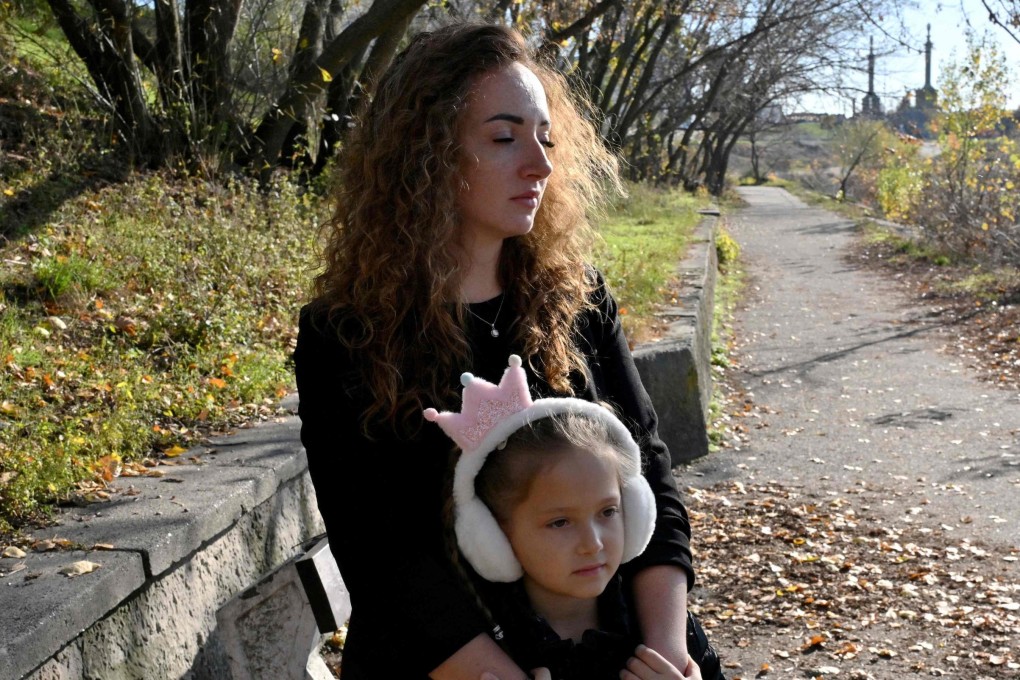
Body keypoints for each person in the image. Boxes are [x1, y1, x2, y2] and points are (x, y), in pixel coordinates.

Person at [293, 19, 714, 680]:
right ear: (427, 153)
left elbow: (649, 477)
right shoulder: (346, 333)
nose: (540, 164)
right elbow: (380, 549)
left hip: (618, 647)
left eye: (545, 138)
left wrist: (665, 653)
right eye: (504, 138)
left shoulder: (579, 298)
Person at [423, 354, 702, 680]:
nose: (592, 544)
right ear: (493, 536)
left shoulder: (659, 626)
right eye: (560, 522)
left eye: (608, 511)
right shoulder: (492, 653)